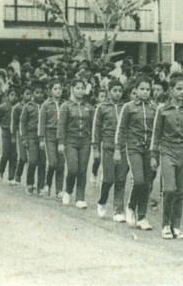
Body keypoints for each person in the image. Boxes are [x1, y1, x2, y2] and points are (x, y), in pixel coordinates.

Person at [150, 75, 183, 239]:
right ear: (171, 90)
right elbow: (156, 134)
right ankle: (166, 225)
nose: (182, 92)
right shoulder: (162, 110)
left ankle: (176, 226)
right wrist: (153, 155)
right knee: (169, 189)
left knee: (180, 191)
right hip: (167, 150)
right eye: (178, 89)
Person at [114, 75, 157, 230]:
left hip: (149, 149)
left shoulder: (154, 108)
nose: (145, 92)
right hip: (133, 147)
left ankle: (142, 217)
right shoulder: (129, 107)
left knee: (147, 183)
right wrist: (117, 149)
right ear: (135, 90)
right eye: (142, 89)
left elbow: (157, 131)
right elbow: (121, 128)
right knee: (138, 180)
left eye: (148, 89)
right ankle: (130, 207)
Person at [92, 81, 128, 223]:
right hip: (107, 145)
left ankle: (118, 210)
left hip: (123, 146)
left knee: (120, 179)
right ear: (108, 92)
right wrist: (95, 147)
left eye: (120, 91)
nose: (117, 93)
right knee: (108, 178)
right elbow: (96, 127)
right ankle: (102, 201)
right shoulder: (102, 108)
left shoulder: (125, 107)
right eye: (114, 90)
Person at [58, 78, 95, 209]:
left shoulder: (89, 107)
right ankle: (68, 190)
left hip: (85, 141)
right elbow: (61, 125)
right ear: (72, 89)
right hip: (70, 141)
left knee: (82, 170)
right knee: (73, 169)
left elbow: (93, 125)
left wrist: (93, 141)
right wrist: (61, 143)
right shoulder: (65, 106)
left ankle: (80, 198)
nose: (80, 91)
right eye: (77, 88)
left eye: (82, 88)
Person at [38, 79, 65, 200]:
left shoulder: (65, 104)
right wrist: (41, 139)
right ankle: (47, 185)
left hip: (62, 136)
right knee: (53, 162)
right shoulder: (45, 105)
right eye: (55, 89)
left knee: (61, 164)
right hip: (49, 135)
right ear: (50, 91)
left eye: (59, 88)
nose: (58, 91)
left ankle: (59, 190)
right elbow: (42, 123)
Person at [20, 82, 47, 196]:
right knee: (32, 161)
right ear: (32, 93)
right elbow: (22, 122)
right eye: (37, 92)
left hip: (43, 137)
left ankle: (40, 186)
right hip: (31, 136)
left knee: (42, 162)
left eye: (41, 92)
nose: (39, 95)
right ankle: (30, 183)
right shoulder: (28, 106)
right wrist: (23, 138)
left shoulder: (46, 105)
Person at [0, 87, 19, 183]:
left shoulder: (19, 107)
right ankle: (1, 171)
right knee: (5, 154)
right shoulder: (3, 107)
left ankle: (11, 177)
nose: (14, 97)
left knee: (14, 155)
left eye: (16, 95)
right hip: (5, 132)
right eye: (12, 95)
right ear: (8, 96)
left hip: (15, 133)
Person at [11, 86, 32, 185]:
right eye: (27, 94)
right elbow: (14, 123)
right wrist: (13, 136)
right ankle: (18, 174)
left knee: (32, 159)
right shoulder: (17, 107)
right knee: (23, 157)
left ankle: (30, 181)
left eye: (30, 94)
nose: (29, 96)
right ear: (22, 95)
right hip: (21, 134)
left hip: (32, 134)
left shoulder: (33, 106)